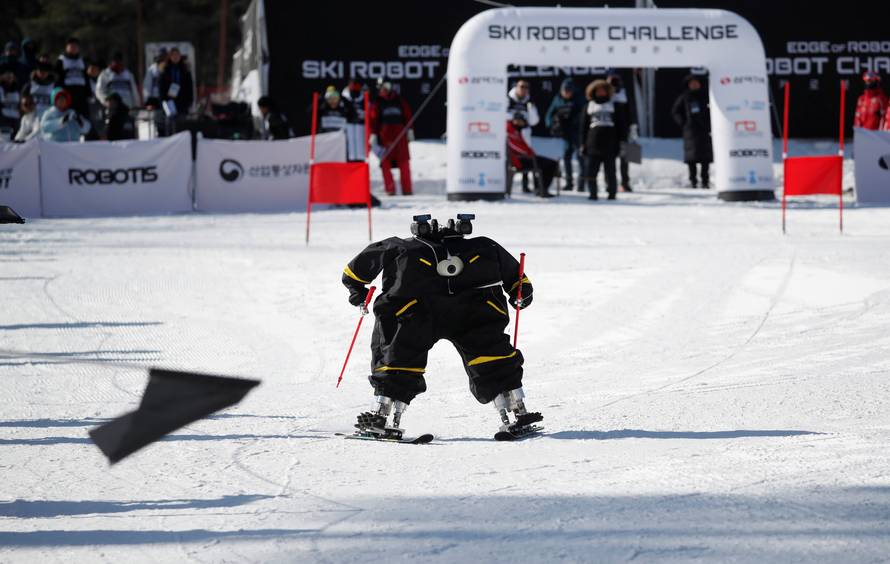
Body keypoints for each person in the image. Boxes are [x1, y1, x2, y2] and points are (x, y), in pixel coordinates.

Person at [341, 213, 542, 439]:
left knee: (400, 359)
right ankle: (517, 411)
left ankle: (382, 414)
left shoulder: (400, 248)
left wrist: (357, 292)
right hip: (466, 312)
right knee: (491, 358)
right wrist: (521, 292)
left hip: (420, 313)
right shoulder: (485, 246)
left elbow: (354, 273)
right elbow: (518, 279)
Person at [369, 80, 414, 196]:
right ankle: (390, 189)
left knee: (404, 163)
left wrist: (410, 130)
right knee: (385, 163)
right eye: (382, 87)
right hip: (385, 137)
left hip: (400, 137)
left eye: (387, 86)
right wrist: (373, 134)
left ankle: (407, 189)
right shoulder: (377, 103)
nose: (384, 89)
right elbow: (373, 120)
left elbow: (407, 115)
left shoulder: (399, 100)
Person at [580, 79, 619, 200]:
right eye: (598, 90)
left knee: (610, 172)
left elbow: (620, 125)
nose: (601, 92)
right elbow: (583, 126)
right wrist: (582, 144)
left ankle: (612, 193)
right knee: (591, 171)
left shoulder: (614, 105)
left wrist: (621, 142)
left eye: (603, 90)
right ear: (593, 92)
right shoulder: (589, 106)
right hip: (593, 144)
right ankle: (593, 194)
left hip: (610, 144)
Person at [671, 74, 713, 189]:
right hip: (691, 132)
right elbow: (675, 111)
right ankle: (693, 181)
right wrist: (684, 123)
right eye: (692, 83)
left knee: (705, 158)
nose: (694, 85)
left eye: (696, 83)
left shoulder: (707, 96)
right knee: (692, 158)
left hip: (704, 130)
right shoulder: (684, 97)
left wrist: (710, 124)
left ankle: (705, 181)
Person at [544, 78, 584, 192]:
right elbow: (549, 115)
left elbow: (584, 115)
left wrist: (577, 119)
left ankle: (581, 184)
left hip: (577, 133)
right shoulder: (557, 99)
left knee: (581, 158)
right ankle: (569, 183)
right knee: (567, 158)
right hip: (564, 134)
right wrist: (552, 124)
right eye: (565, 90)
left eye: (569, 90)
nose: (567, 93)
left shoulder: (579, 99)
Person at [507, 112, 556, 198]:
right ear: (513, 120)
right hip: (520, 160)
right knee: (550, 164)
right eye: (517, 120)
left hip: (526, 157)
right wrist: (529, 154)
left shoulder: (518, 130)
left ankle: (540, 188)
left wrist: (531, 153)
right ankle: (541, 189)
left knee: (551, 163)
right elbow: (515, 147)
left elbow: (524, 146)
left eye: (521, 121)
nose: (519, 122)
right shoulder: (509, 130)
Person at [507, 79, 540, 193]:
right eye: (521, 86)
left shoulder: (529, 102)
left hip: (524, 136)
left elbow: (534, 121)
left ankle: (526, 185)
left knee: (528, 158)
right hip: (510, 135)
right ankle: (506, 186)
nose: (524, 89)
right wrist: (514, 120)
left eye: (526, 87)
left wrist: (530, 110)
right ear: (516, 87)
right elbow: (501, 114)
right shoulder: (509, 100)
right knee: (509, 160)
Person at [607, 70, 638, 192]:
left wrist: (633, 128)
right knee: (609, 159)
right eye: (611, 80)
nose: (614, 83)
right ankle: (610, 183)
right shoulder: (604, 94)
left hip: (624, 131)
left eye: (616, 80)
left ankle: (625, 183)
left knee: (625, 159)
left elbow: (631, 112)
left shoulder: (625, 94)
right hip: (609, 132)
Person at [54, 37, 90, 119]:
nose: (73, 49)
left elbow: (86, 77)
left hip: (81, 92)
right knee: (68, 115)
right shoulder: (61, 60)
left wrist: (88, 91)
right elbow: (57, 77)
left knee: (83, 117)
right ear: (67, 48)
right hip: (67, 92)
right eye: (71, 46)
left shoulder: (82, 61)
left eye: (75, 47)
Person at [159, 47, 194, 116]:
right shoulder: (165, 70)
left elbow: (190, 86)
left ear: (180, 56)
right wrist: (162, 101)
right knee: (170, 123)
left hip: (183, 101)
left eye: (177, 55)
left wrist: (189, 101)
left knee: (182, 124)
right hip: (169, 101)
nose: (175, 57)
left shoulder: (185, 69)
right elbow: (161, 87)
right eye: (173, 55)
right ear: (170, 57)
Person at [342, 78, 369, 161]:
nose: (354, 88)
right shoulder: (344, 98)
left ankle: (361, 165)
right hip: (348, 127)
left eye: (356, 86)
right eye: (352, 85)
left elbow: (368, 112)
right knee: (349, 153)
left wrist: (362, 114)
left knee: (361, 153)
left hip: (361, 127)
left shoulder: (364, 97)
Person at [0, 66, 21, 137]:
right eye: (7, 75)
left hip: (15, 120)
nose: (9, 77)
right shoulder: (1, 88)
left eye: (11, 75)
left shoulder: (17, 88)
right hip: (4, 120)